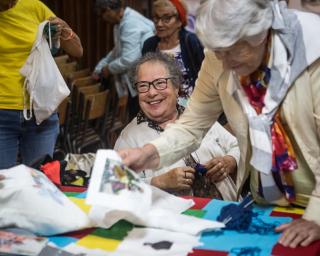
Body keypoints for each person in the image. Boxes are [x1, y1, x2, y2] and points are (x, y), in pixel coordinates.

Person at [118, 0, 320, 248]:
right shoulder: (219, 55)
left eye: (231, 51)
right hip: (267, 201)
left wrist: (316, 216)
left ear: (261, 34)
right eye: (217, 52)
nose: (223, 63)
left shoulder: (313, 51)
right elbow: (191, 124)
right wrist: (148, 153)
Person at [114, 52, 239, 200]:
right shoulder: (129, 138)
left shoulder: (197, 118)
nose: (152, 92)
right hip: (175, 219)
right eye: (143, 86)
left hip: (228, 210)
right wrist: (158, 182)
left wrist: (230, 161)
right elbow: (116, 187)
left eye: (160, 83)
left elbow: (236, 146)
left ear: (176, 86)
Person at [0, 0, 83, 170]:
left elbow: (77, 51)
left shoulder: (34, 7)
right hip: (2, 114)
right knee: (4, 188)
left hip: (41, 111)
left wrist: (64, 27)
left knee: (40, 184)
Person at [92, 0, 155, 119]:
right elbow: (118, 50)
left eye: (102, 15)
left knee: (141, 119)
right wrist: (99, 68)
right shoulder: (121, 21)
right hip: (141, 77)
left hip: (145, 77)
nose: (103, 19)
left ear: (109, 10)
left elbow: (129, 59)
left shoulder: (129, 23)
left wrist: (109, 69)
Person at [142, 0, 204, 107]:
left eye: (166, 18)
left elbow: (205, 78)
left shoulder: (191, 42)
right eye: (156, 18)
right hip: (159, 106)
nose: (159, 24)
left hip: (192, 106)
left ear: (180, 21)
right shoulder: (149, 45)